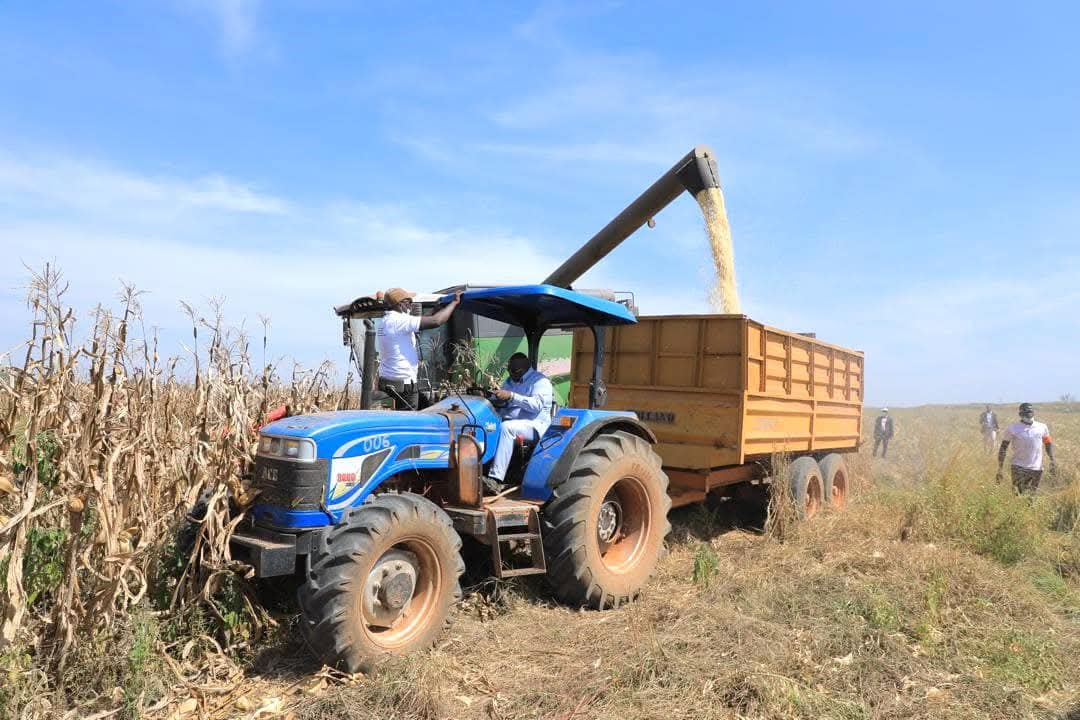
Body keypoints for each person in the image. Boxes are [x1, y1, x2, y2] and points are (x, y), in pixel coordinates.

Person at [377, 287, 462, 410]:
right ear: (400, 303)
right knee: (408, 424)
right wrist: (454, 303)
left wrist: (436, 310)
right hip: (405, 387)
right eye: (408, 302)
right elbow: (436, 321)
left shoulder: (385, 321)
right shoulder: (399, 320)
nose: (410, 306)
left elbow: (423, 321)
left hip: (390, 383)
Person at [483, 353, 554, 493]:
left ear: (524, 368)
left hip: (534, 425)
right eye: (509, 370)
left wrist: (511, 396)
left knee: (507, 428)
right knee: (486, 426)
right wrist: (494, 398)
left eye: (514, 371)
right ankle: (480, 470)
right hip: (510, 420)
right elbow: (504, 401)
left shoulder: (540, 381)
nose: (510, 374)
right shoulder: (510, 381)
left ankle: (496, 479)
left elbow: (536, 405)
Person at [997, 402, 1056, 494]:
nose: (1029, 414)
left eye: (1030, 412)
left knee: (1031, 495)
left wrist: (1052, 460)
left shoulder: (1042, 427)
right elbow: (1003, 448)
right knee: (1018, 494)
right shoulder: (1012, 428)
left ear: (1033, 413)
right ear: (1020, 414)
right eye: (1026, 412)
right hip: (1018, 466)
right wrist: (1000, 468)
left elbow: (1048, 444)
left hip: (1037, 468)